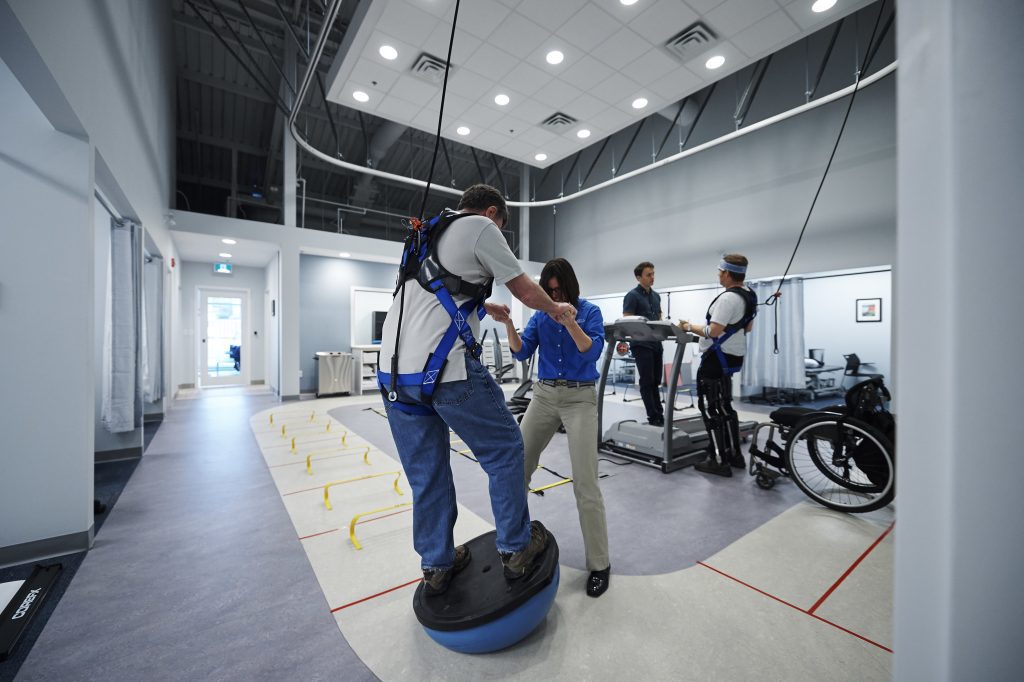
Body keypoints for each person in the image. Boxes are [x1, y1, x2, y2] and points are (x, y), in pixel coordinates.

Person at [378, 184, 575, 595]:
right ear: (492, 212)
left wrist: (484, 307)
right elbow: (523, 287)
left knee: (426, 475)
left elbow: (429, 291)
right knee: (505, 450)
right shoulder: (481, 227)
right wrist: (555, 309)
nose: (498, 231)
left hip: (395, 379)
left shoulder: (428, 236)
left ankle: (437, 564)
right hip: (445, 371)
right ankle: (516, 549)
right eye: (501, 224)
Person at [492, 258, 612, 598]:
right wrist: (508, 325)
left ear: (571, 287)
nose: (555, 294)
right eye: (550, 290)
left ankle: (600, 563)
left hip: (579, 399)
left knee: (586, 483)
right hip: (544, 396)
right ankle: (516, 544)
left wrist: (570, 322)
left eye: (560, 289)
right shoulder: (540, 315)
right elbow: (521, 352)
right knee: (519, 469)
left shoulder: (590, 312)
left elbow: (590, 353)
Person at [677, 254, 758, 477]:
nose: (719, 275)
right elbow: (747, 327)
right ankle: (735, 455)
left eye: (720, 272)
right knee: (725, 407)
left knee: (711, 409)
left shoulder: (727, 299)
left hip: (715, 358)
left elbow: (712, 331)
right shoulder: (750, 295)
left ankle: (718, 460)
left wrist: (687, 326)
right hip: (732, 358)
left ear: (727, 273)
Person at [622, 262, 664, 426]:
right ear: (639, 277)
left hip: (656, 343)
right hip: (641, 344)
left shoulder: (656, 296)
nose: (652, 277)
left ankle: (659, 414)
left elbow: (659, 317)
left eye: (653, 274)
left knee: (656, 381)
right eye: (648, 275)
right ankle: (653, 417)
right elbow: (627, 320)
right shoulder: (632, 296)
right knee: (647, 381)